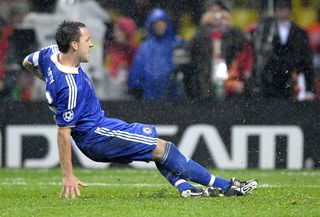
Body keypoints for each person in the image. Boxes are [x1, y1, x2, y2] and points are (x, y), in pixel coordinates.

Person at [22, 21, 258, 199]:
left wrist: (46, 80)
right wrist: (68, 176)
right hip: (96, 136)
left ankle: (186, 189)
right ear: (74, 45)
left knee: (154, 145)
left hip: (102, 126)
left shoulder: (50, 54)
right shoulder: (68, 86)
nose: (91, 44)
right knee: (164, 147)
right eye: (87, 40)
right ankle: (226, 186)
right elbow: (63, 133)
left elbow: (27, 62)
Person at [253, 0, 315, 100]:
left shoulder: (300, 32)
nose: (282, 9)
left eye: (285, 6)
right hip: (269, 82)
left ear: (290, 9)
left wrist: (309, 89)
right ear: (275, 8)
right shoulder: (265, 31)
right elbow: (260, 57)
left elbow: (307, 62)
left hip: (292, 81)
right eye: (279, 6)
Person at [128, 8, 182, 100]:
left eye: (162, 23)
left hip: (174, 99)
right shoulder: (145, 47)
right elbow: (136, 72)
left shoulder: (176, 43)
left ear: (167, 24)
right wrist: (136, 87)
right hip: (149, 99)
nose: (159, 26)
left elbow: (183, 70)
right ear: (151, 25)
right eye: (156, 23)